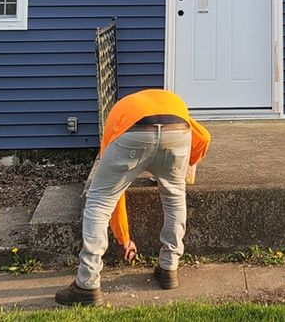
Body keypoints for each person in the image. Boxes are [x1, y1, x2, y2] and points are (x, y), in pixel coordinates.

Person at [55, 88, 211, 307]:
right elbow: (204, 138)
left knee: (99, 200)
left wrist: (124, 239)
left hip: (133, 132)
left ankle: (87, 283)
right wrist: (185, 166)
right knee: (175, 196)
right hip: (177, 131)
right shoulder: (172, 103)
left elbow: (113, 195)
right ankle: (169, 268)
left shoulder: (119, 115)